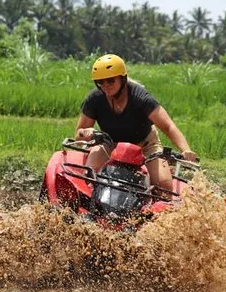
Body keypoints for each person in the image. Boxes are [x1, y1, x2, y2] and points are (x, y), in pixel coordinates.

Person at [74, 53, 197, 192]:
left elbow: (168, 126)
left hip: (145, 145)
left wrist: (185, 150)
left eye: (110, 80)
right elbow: (78, 135)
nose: (105, 86)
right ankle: (89, 199)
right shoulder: (94, 99)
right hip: (110, 143)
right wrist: (85, 132)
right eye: (100, 82)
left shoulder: (141, 98)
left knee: (164, 186)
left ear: (122, 78)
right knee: (89, 173)